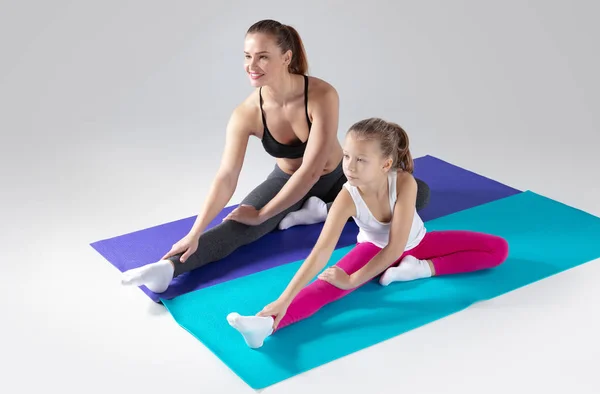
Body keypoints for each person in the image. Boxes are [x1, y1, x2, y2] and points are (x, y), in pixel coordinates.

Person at [120, 20, 431, 294]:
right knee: (240, 226)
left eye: (263, 56)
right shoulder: (246, 113)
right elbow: (226, 176)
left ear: (286, 57)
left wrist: (264, 213)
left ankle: (322, 210)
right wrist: (195, 231)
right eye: (247, 56)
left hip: (341, 178)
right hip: (287, 182)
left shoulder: (322, 95)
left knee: (419, 193)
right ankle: (168, 270)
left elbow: (311, 170)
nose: (252, 65)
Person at [227, 117, 509, 349]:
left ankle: (420, 270)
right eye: (347, 156)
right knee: (326, 287)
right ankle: (264, 325)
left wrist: (352, 281)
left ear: (385, 165)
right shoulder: (347, 197)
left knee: (498, 249)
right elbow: (321, 252)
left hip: (416, 244)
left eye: (361, 160)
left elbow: (397, 246)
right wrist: (283, 299)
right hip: (373, 249)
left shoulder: (404, 183)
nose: (349, 166)